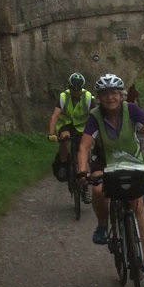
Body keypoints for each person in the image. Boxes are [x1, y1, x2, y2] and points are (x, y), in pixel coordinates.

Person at [77, 73, 144, 280]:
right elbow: (84, 147)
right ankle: (103, 225)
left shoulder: (133, 110)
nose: (110, 98)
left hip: (132, 161)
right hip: (105, 160)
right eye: (105, 94)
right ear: (99, 97)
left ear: (121, 95)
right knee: (97, 189)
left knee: (137, 205)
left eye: (114, 93)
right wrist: (83, 171)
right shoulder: (95, 116)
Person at [48, 72, 94, 202]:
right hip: (66, 125)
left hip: (83, 127)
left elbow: (96, 116)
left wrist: (96, 133)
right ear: (70, 87)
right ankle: (63, 165)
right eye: (73, 89)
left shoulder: (88, 97)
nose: (76, 92)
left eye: (78, 89)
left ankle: (85, 189)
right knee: (64, 139)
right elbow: (54, 116)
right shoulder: (64, 96)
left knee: (83, 153)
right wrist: (51, 133)